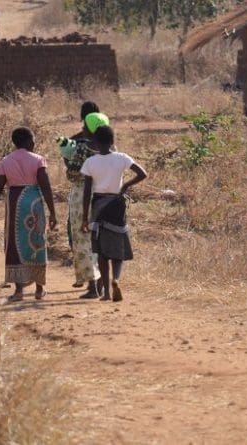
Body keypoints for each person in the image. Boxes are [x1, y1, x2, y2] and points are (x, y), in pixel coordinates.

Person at [0, 127, 58, 302]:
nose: (34, 143)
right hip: (34, 201)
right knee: (37, 240)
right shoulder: (39, 160)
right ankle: (39, 289)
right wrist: (53, 212)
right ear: (28, 141)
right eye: (32, 139)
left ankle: (18, 291)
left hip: (15, 202)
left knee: (14, 242)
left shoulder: (6, 161)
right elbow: (45, 186)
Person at [81, 126, 147, 302]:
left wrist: (84, 218)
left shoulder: (90, 162)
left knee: (101, 251)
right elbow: (142, 174)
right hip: (117, 205)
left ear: (95, 143)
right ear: (112, 142)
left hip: (98, 206)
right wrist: (125, 186)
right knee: (118, 246)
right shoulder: (121, 158)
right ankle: (115, 280)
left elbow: (87, 192)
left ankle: (107, 294)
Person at [59, 104, 109, 299]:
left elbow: (72, 174)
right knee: (100, 239)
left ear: (87, 126)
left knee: (83, 238)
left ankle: (92, 286)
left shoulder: (80, 147)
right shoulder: (110, 148)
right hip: (105, 195)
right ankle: (103, 283)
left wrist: (68, 160)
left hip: (82, 196)